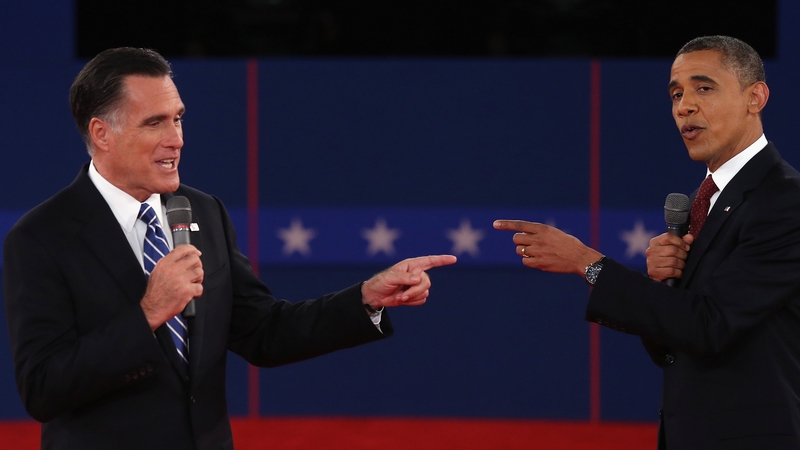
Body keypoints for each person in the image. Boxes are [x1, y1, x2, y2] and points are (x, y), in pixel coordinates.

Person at [3, 47, 456, 450]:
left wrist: (365, 299)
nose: (176, 139)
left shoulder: (202, 211)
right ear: (102, 133)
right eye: (155, 122)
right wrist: (148, 314)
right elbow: (44, 388)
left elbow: (264, 332)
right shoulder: (41, 238)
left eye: (178, 118)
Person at [494, 35, 800, 449]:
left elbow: (710, 327)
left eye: (703, 88)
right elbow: (676, 346)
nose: (684, 106)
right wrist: (662, 284)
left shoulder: (785, 199)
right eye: (676, 93)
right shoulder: (702, 204)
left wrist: (587, 262)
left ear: (755, 97)